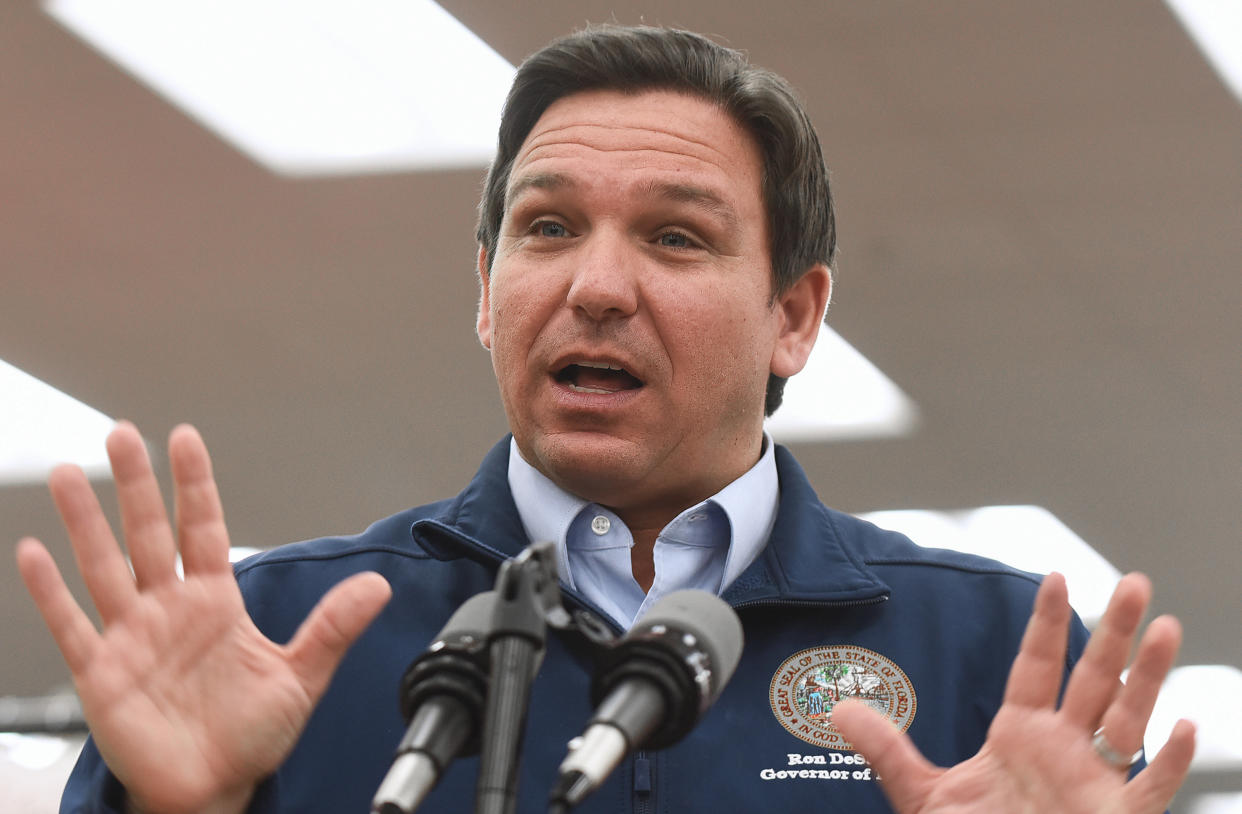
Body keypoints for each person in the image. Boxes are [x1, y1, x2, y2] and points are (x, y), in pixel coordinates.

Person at [16, 24, 1195, 814]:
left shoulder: (986, 655)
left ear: (793, 316)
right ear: (485, 291)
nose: (594, 285)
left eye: (676, 236)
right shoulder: (279, 635)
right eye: (547, 228)